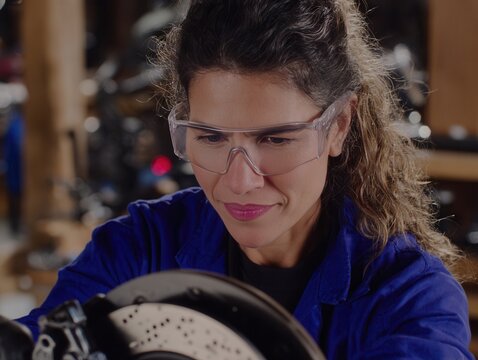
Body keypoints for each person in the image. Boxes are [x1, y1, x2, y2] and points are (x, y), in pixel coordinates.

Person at [17, 0, 473, 358]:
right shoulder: (139, 249)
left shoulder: (412, 303)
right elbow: (38, 343)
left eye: (276, 139)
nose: (239, 181)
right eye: (210, 137)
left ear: (338, 126)